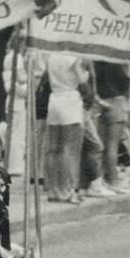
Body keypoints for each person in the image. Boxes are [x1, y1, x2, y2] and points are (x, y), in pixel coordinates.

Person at [42, 50, 89, 204]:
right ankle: (68, 190)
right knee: (69, 148)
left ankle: (53, 190)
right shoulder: (72, 56)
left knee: (53, 148)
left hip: (54, 98)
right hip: (70, 99)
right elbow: (82, 80)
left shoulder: (52, 55)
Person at [90, 60, 130, 195]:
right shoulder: (115, 61)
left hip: (100, 100)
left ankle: (101, 178)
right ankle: (113, 180)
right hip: (117, 100)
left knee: (102, 144)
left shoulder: (95, 61)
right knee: (113, 145)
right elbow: (125, 80)